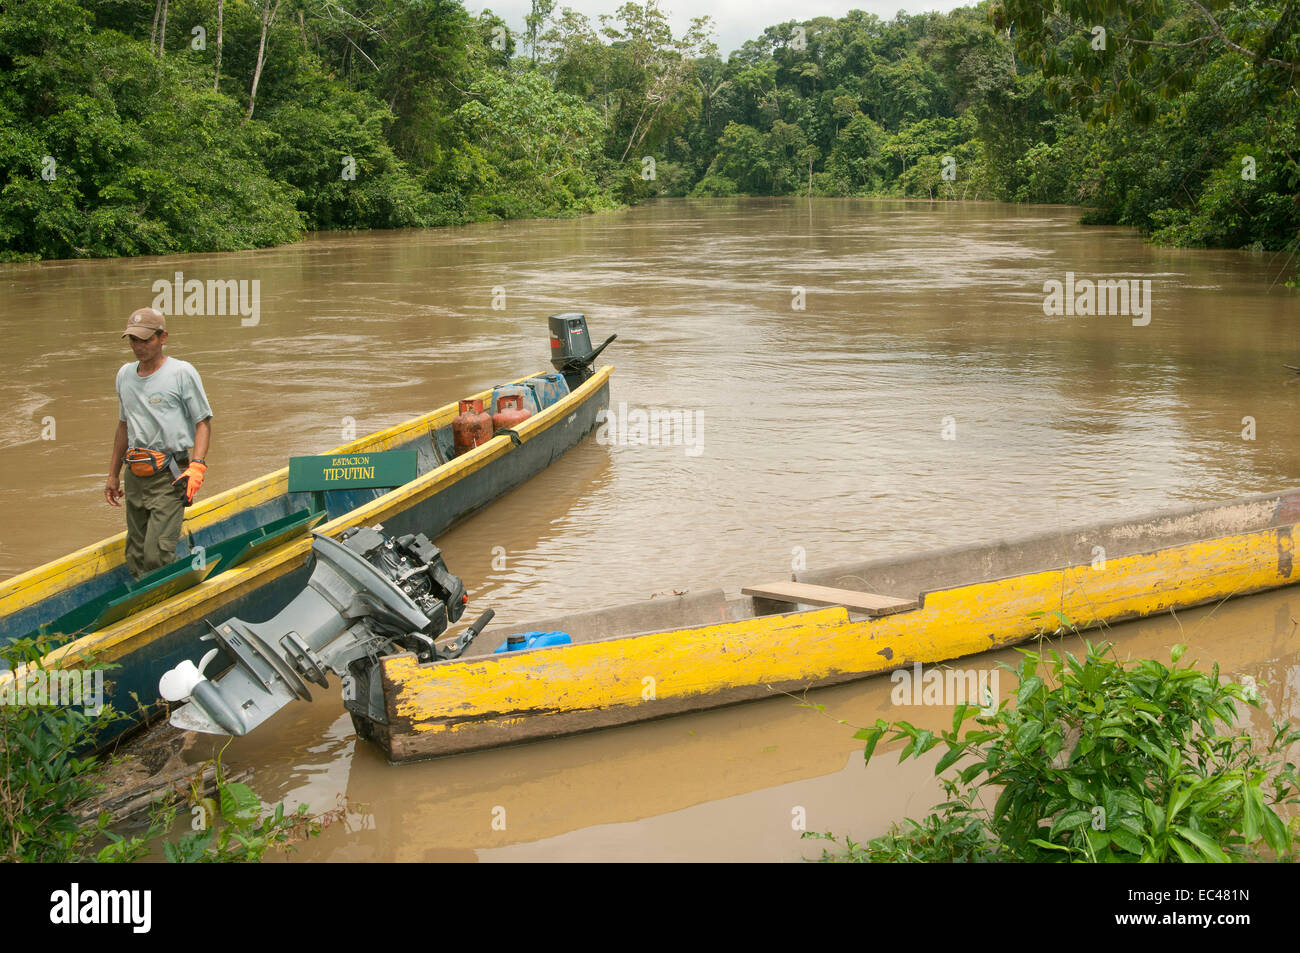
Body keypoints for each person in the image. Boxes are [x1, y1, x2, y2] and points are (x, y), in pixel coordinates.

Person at [105, 307, 213, 578]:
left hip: (171, 475)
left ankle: (170, 599)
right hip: (136, 473)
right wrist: (112, 475)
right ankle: (143, 601)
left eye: (145, 340)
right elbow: (123, 426)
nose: (138, 346)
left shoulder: (181, 373)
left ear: (162, 337)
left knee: (157, 553)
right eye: (133, 340)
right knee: (136, 551)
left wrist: (197, 466)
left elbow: (203, 422)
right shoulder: (124, 375)